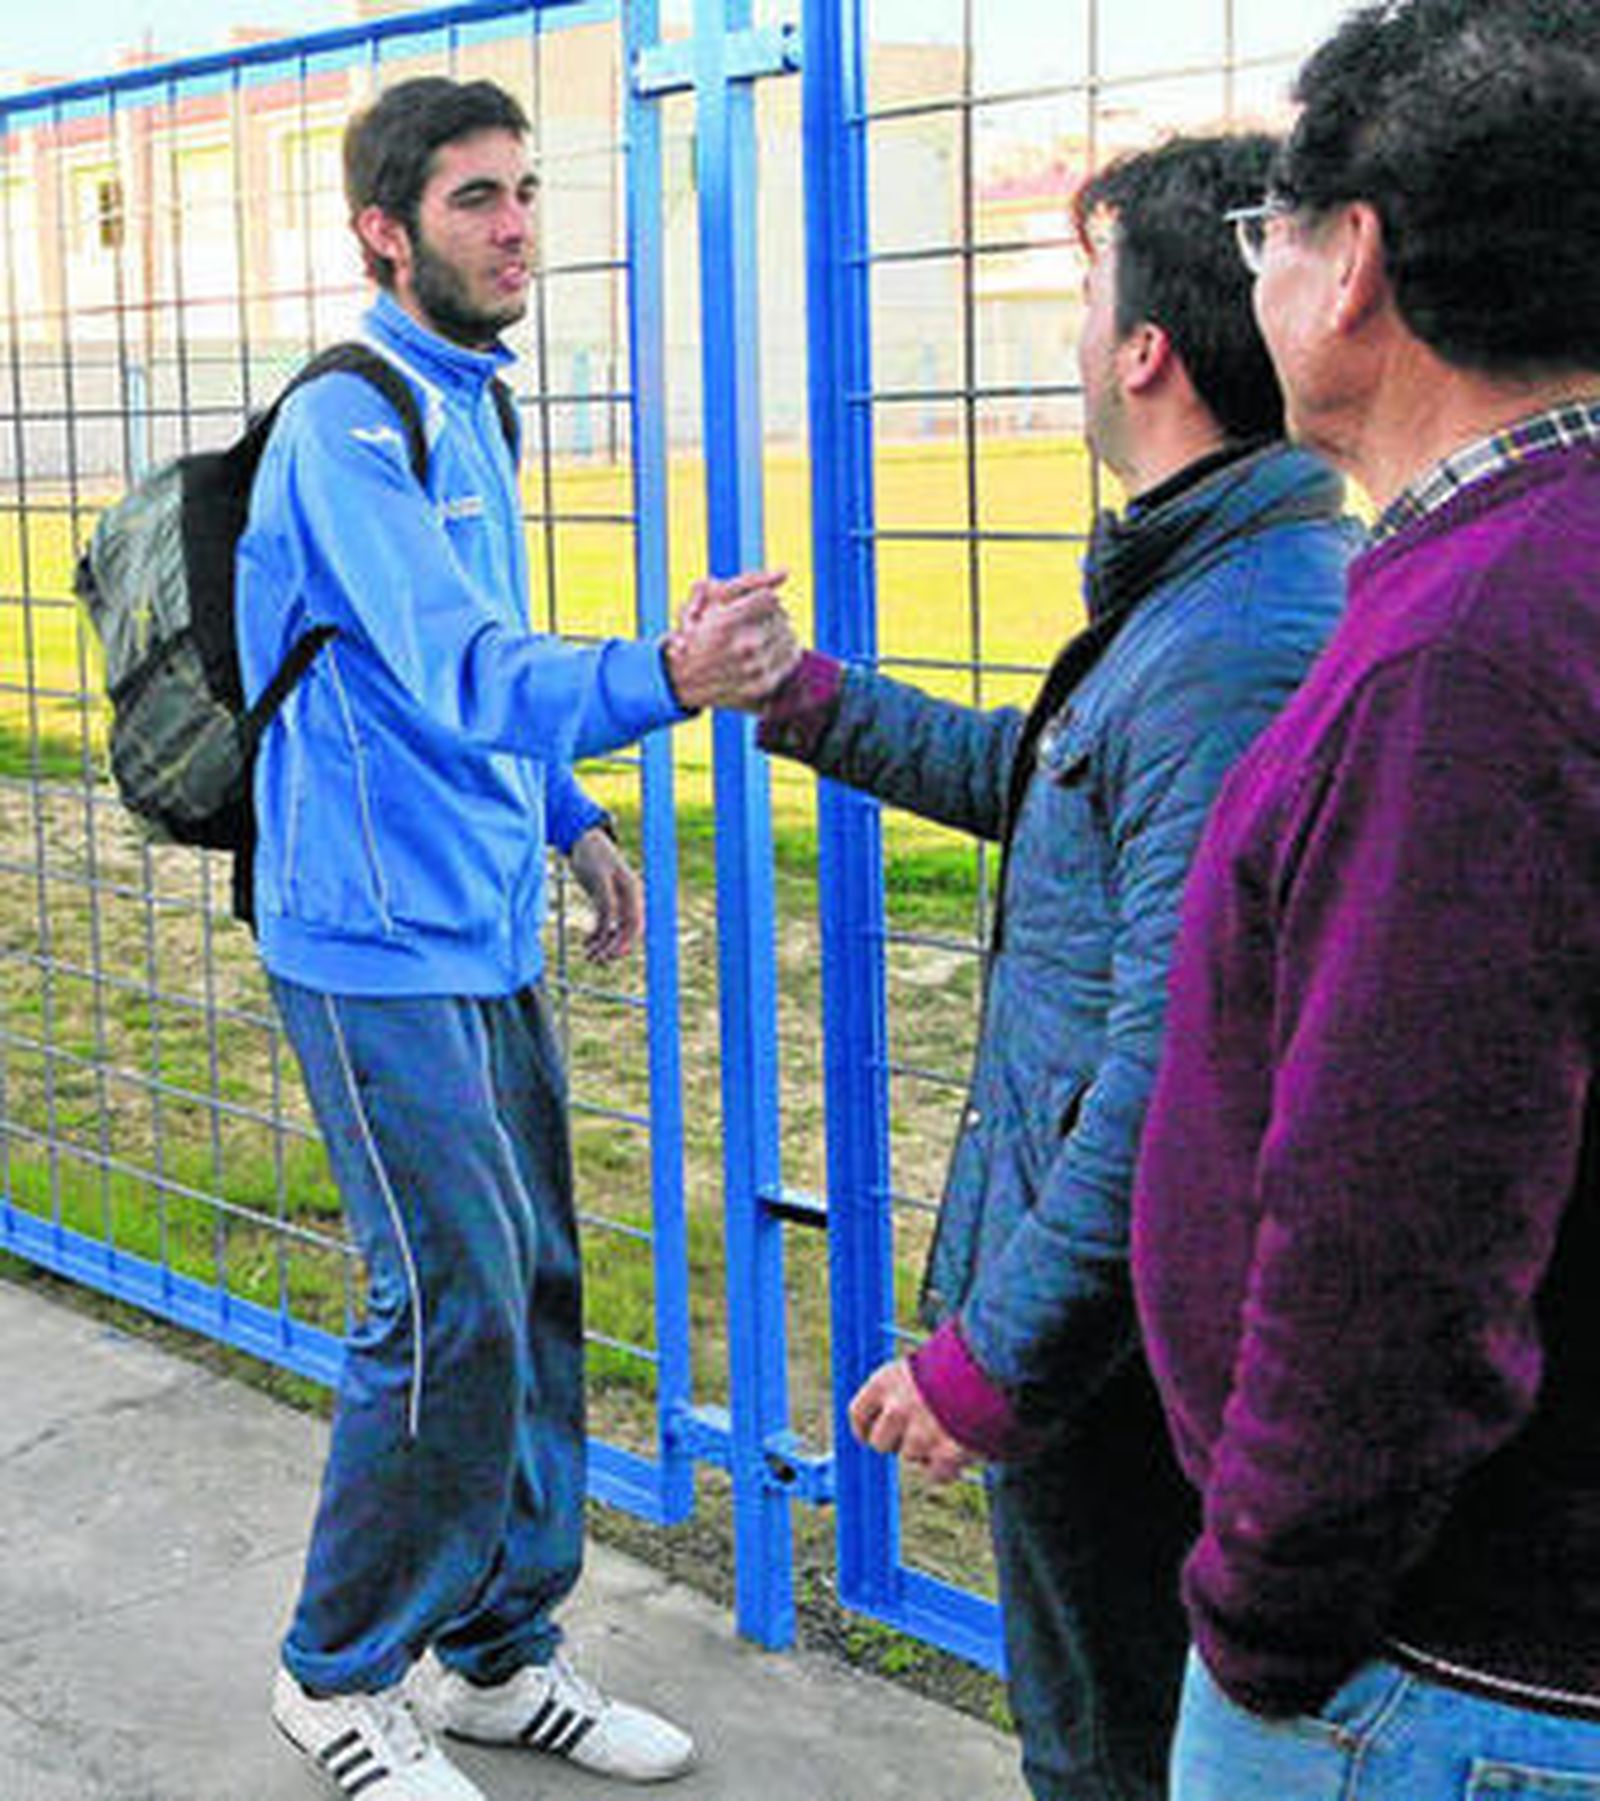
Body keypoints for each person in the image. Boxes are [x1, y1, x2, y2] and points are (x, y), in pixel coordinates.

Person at [756, 134, 1351, 1801]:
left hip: (1124, 1356)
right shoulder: (1216, 591)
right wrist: (804, 695)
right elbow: (1058, 786)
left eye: (1088, 298)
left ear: (1147, 350)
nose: (1074, 336)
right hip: (1121, 1330)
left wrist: (995, 1353)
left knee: (1110, 1754)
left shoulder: (1232, 644)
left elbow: (1169, 1068)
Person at [238, 77, 796, 1801]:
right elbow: (463, 665)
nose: (517, 227)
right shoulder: (347, 427)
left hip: (479, 923)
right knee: (447, 1296)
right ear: (383, 232)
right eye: (476, 199)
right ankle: (335, 1673)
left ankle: (496, 1656)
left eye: (527, 192)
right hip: (365, 937)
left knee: (535, 1285)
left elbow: (477, 656)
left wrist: (571, 821)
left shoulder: (471, 402)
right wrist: (670, 678)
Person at [1131, 4, 1600, 1797]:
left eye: (1272, 229)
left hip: (1431, 1687)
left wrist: (1266, 1615)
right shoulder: (1518, 578)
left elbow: (1396, 1235)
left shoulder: (1468, 659)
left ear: (1353, 266)